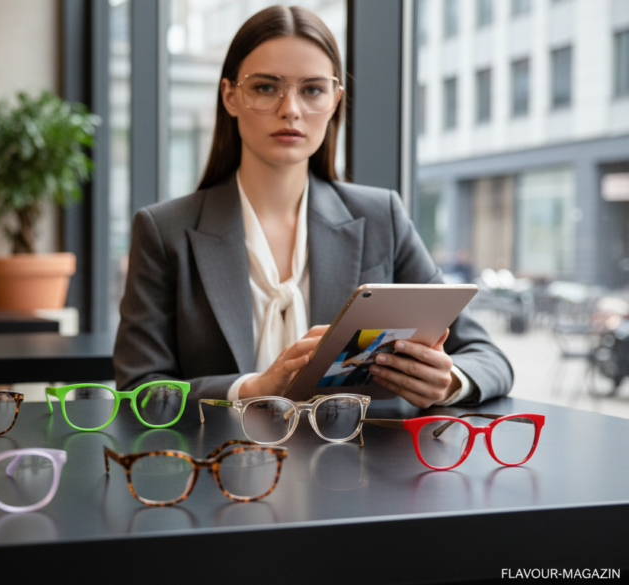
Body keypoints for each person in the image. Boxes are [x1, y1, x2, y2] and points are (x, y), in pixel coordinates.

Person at [113, 5, 512, 408]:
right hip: (221, 448)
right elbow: (138, 388)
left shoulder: (381, 217)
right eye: (265, 87)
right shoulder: (164, 230)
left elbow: (487, 357)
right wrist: (251, 389)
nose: (290, 109)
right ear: (230, 96)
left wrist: (449, 382)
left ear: (335, 100)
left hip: (358, 449)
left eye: (312, 90)